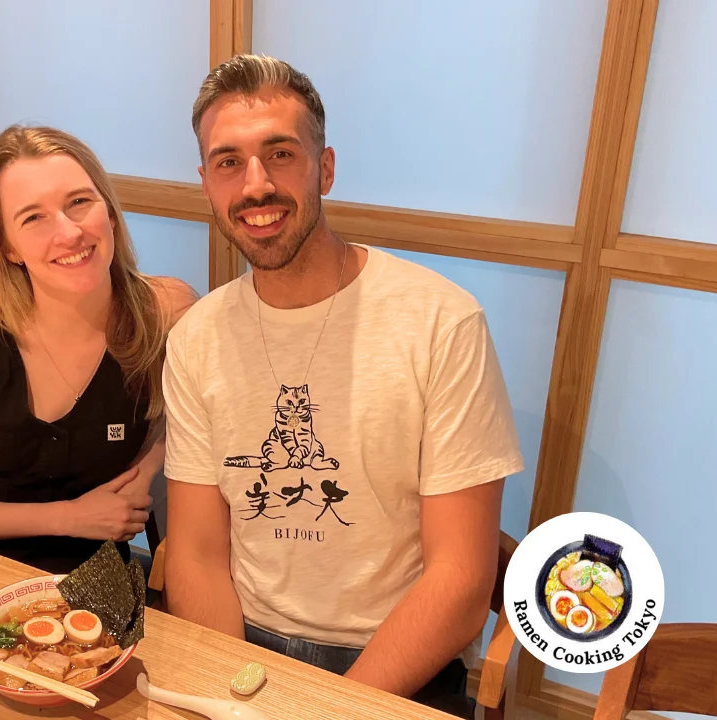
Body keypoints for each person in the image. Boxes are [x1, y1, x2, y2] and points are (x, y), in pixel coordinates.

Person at [162, 54, 524, 718]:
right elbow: (195, 552)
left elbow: (462, 580)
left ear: (324, 167)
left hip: (395, 659)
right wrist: (230, 689)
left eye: (280, 153)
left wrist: (331, 709)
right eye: (229, 162)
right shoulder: (197, 337)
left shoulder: (441, 322)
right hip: (245, 648)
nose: (257, 185)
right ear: (207, 184)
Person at [0, 125, 197, 575]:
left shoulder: (166, 311)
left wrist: (148, 469)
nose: (69, 232)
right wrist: (70, 517)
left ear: (110, 213)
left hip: (96, 582)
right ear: (7, 246)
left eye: (79, 202)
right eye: (33, 218)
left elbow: (198, 413)